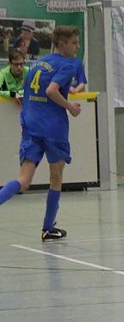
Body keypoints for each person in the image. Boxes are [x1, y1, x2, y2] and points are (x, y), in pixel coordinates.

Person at [0, 26, 83, 240]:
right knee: (56, 177)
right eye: (74, 42)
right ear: (62, 44)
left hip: (31, 125)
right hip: (53, 128)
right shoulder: (67, 64)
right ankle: (47, 227)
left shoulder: (36, 64)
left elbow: (30, 92)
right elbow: (51, 90)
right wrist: (70, 107)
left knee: (24, 179)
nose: (78, 47)